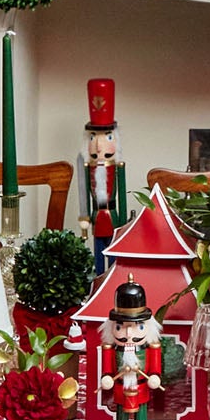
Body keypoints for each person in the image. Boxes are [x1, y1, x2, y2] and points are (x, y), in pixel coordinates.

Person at [99, 277, 163, 420]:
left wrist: (155, 377)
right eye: (121, 327)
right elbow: (107, 372)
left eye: (136, 327)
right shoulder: (111, 349)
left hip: (142, 391)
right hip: (120, 393)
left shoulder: (150, 347)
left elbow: (155, 370)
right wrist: (107, 378)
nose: (128, 334)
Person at [78, 77, 127, 274]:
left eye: (106, 137)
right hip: (96, 217)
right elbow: (83, 194)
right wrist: (84, 218)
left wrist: (123, 223)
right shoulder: (85, 166)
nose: (99, 145)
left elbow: (121, 195)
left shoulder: (118, 167)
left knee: (113, 252)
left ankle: (112, 277)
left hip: (114, 217)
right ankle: (99, 278)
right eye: (93, 138)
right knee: (98, 253)